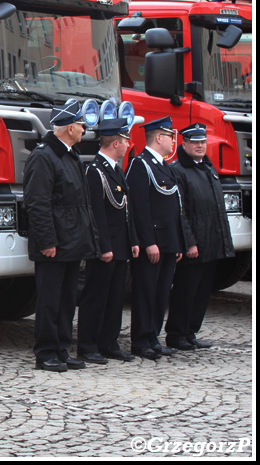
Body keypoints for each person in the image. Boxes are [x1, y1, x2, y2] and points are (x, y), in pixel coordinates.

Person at [23, 99, 100, 373]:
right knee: (50, 300)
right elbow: (37, 203)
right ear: (69, 128)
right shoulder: (44, 156)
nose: (84, 129)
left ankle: (62, 349)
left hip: (72, 240)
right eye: (81, 125)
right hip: (55, 243)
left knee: (67, 300)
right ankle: (45, 353)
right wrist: (47, 241)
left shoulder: (71, 155)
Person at [165, 123, 234, 350]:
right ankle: (176, 334)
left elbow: (216, 208)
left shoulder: (208, 168)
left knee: (202, 292)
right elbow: (180, 211)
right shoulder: (178, 171)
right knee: (185, 290)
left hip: (211, 241)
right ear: (184, 144)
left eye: (202, 142)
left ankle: (190, 332)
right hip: (194, 243)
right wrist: (189, 242)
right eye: (195, 142)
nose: (200, 146)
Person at [77, 118, 139, 364]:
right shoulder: (96, 171)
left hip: (120, 245)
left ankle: (109, 342)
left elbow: (126, 208)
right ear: (115, 143)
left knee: (115, 298)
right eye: (125, 141)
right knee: (96, 297)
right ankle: (88, 345)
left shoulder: (115, 169)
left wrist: (132, 239)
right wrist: (103, 246)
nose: (128, 145)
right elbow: (96, 213)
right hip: (105, 247)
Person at [126, 116, 186, 360]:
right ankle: (141, 340)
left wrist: (178, 242)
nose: (174, 141)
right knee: (146, 292)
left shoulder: (164, 165)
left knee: (161, 294)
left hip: (169, 242)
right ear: (159, 137)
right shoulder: (141, 165)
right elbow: (139, 208)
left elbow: (174, 207)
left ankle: (153, 337)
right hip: (153, 243)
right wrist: (148, 241)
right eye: (171, 136)